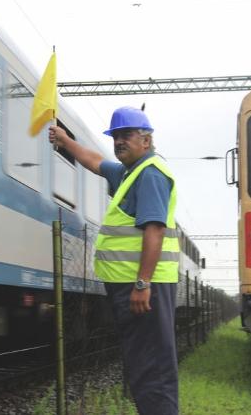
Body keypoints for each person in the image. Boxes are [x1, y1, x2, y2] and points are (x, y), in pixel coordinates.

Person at [48, 106, 180, 415]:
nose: (119, 141)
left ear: (145, 140)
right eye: (116, 136)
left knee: (152, 367)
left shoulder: (150, 174)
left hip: (146, 288)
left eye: (127, 135)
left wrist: (141, 283)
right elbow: (94, 161)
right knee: (142, 364)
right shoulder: (128, 172)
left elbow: (154, 232)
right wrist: (66, 141)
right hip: (133, 286)